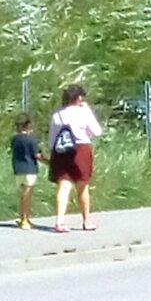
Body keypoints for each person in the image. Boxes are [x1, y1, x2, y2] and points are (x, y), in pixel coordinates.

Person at [48, 83, 102, 231]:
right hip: (81, 149)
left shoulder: (57, 114)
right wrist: (87, 110)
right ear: (79, 98)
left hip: (61, 150)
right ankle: (86, 221)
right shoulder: (83, 112)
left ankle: (60, 221)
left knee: (64, 186)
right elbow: (97, 131)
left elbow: (51, 139)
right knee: (82, 186)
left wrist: (52, 152)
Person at [9, 114, 41, 230]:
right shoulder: (31, 140)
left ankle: (24, 217)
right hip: (30, 169)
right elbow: (37, 155)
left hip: (18, 169)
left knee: (23, 195)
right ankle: (24, 220)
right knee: (27, 196)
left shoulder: (14, 139)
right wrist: (48, 161)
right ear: (27, 125)